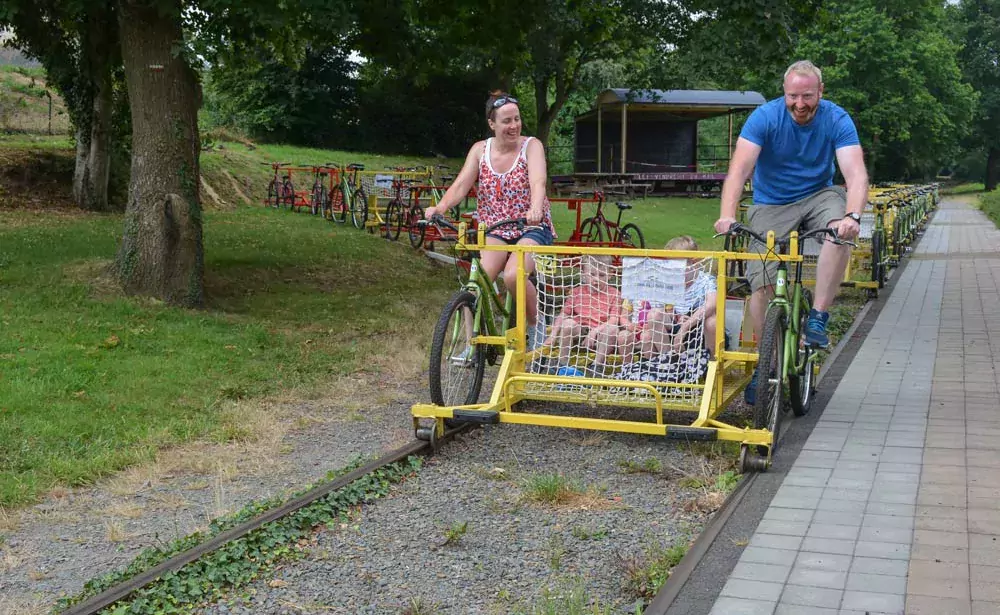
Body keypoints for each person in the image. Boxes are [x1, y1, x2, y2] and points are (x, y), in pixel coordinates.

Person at [713, 60, 869, 404]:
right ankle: (767, 363)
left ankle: (818, 317)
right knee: (761, 282)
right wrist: (726, 215)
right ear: (784, 93)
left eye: (808, 96)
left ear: (820, 92)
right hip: (772, 203)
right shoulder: (765, 117)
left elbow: (855, 174)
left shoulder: (837, 119)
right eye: (793, 96)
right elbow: (739, 170)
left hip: (819, 194)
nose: (800, 104)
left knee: (838, 231)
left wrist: (852, 216)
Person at [425, 92, 556, 325]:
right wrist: (440, 207)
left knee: (514, 276)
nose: (514, 125)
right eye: (507, 121)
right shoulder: (479, 150)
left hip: (530, 227)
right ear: (492, 123)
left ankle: (537, 328)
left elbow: (538, 181)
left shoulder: (531, 146)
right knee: (476, 284)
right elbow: (460, 185)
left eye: (516, 119)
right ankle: (470, 348)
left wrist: (535, 209)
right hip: (496, 228)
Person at [626, 236, 718, 358]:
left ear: (693, 263)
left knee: (712, 322)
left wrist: (685, 327)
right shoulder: (667, 281)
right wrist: (675, 316)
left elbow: (711, 305)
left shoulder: (706, 280)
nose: (672, 269)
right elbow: (660, 308)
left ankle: (709, 363)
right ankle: (669, 361)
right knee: (654, 315)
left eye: (677, 265)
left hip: (698, 328)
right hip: (673, 325)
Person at [543, 255, 629, 372]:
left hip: (600, 332)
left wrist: (594, 332)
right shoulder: (577, 291)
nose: (596, 279)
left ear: (610, 275)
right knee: (568, 323)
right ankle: (562, 364)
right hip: (580, 330)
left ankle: (596, 366)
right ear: (584, 274)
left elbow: (614, 319)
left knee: (613, 328)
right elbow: (564, 314)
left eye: (602, 275)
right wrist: (553, 335)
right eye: (592, 275)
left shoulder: (614, 293)